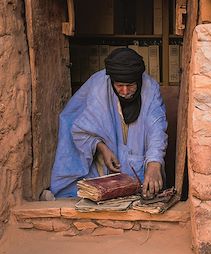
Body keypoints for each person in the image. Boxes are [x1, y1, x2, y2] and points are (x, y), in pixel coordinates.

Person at [50, 48, 168, 199]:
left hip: (139, 165)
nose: (125, 91)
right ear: (112, 81)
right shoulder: (98, 86)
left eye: (131, 85)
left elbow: (157, 128)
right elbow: (79, 127)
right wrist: (102, 148)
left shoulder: (150, 88)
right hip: (102, 169)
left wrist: (154, 163)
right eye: (119, 85)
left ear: (139, 80)